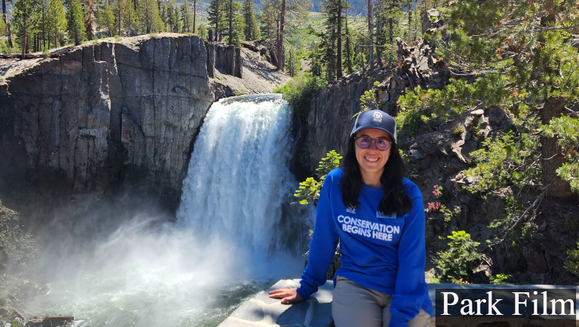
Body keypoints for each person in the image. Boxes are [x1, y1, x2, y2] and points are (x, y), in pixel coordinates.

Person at [269, 110, 433, 327]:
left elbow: (412, 260)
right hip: (356, 284)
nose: (372, 149)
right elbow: (324, 239)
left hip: (404, 289)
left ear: (391, 148)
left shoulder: (408, 194)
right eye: (364, 140)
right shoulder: (336, 183)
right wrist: (306, 286)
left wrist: (401, 317)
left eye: (381, 142)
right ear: (353, 144)